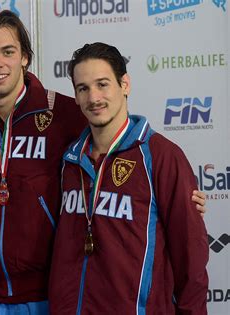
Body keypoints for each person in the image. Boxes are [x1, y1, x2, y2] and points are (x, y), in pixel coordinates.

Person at [0, 10, 207, 315]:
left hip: (47, 293)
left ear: (25, 57)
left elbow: (114, 142)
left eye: (8, 51)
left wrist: (181, 201)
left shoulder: (64, 114)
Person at [48, 42, 209, 314]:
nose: (94, 97)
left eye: (102, 84)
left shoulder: (161, 156)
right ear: (75, 96)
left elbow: (190, 258)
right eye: (83, 88)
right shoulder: (69, 160)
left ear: (125, 84)